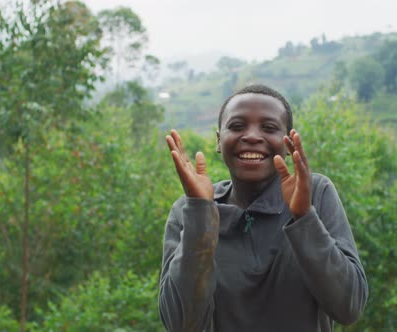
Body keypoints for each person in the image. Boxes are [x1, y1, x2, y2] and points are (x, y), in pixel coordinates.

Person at [158, 84, 368, 332]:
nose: (252, 136)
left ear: (288, 143)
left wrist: (304, 217)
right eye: (237, 126)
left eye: (269, 128)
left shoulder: (314, 192)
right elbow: (181, 324)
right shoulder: (189, 209)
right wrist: (201, 212)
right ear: (218, 140)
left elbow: (348, 306)